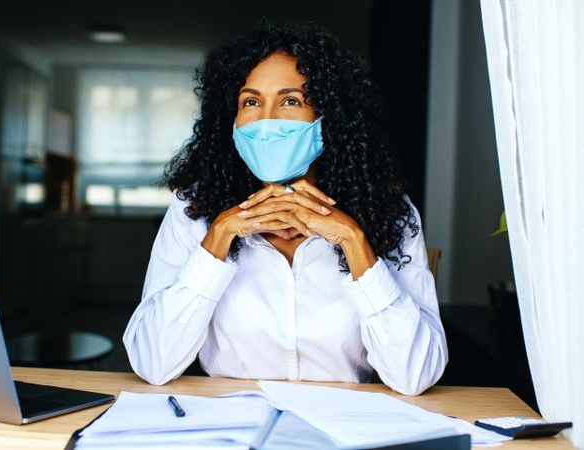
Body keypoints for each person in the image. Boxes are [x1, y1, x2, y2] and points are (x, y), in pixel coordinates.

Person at [123, 21, 448, 395]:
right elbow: (152, 363)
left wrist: (355, 243)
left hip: (343, 426)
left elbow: (416, 376)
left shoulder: (389, 211)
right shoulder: (193, 209)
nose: (268, 119)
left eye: (291, 100)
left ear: (329, 116)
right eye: (251, 101)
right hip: (232, 426)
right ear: (230, 119)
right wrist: (217, 242)